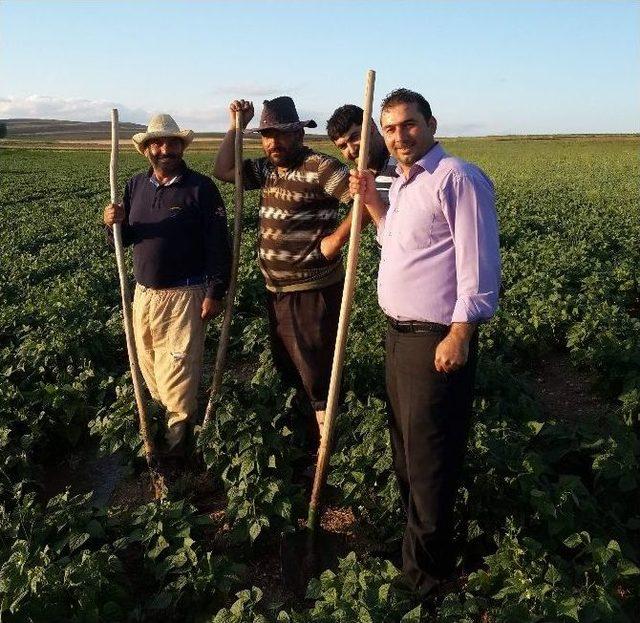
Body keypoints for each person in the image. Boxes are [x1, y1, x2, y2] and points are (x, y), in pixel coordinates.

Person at [350, 89, 501, 598]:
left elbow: (477, 265)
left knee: (430, 458)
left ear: (430, 124)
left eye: (409, 125)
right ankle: (413, 549)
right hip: (398, 336)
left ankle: (428, 578)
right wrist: (373, 203)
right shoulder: (405, 183)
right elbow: (399, 242)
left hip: (434, 339)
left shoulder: (455, 177)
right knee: (404, 451)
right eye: (390, 129)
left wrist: (461, 331)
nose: (399, 136)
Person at [213, 96, 355, 447]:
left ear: (299, 134)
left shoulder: (320, 167)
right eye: (266, 135)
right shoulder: (267, 169)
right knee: (288, 367)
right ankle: (307, 435)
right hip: (275, 290)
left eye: (281, 134)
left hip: (311, 289)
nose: (273, 142)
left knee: (316, 371)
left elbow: (363, 199)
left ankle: (328, 447)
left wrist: (335, 241)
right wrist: (236, 127)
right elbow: (223, 171)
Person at [104, 113, 231, 461]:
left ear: (181, 147)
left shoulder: (200, 188)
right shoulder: (135, 186)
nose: (164, 149)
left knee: (177, 374)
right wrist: (111, 223)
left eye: (171, 143)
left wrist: (215, 291)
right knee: (149, 367)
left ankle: (177, 454)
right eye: (157, 143)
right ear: (146, 149)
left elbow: (219, 244)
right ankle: (164, 431)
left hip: (184, 296)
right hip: (144, 295)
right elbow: (126, 237)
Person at [326, 103, 398, 205]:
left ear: (371, 127)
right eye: (343, 146)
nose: (351, 150)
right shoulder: (362, 179)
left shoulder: (402, 163)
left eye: (354, 137)